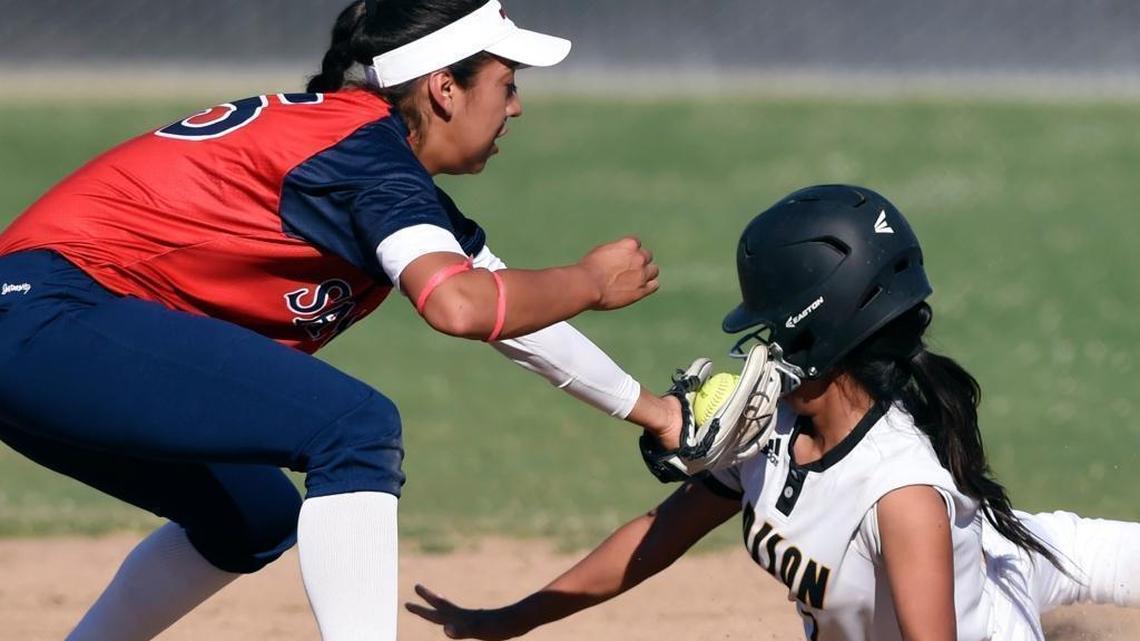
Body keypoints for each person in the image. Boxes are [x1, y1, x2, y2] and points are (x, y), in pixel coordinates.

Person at [0, 1, 684, 640]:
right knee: (353, 428)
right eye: (507, 82)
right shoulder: (362, 157)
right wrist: (589, 280)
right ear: (444, 88)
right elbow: (460, 305)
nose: (516, 106)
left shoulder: (364, 151)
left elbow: (510, 315)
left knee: (253, 514)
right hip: (46, 314)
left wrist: (654, 412)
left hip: (44, 329)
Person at [407, 184, 1140, 641]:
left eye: (768, 325)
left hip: (986, 607)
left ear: (817, 329)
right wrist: (516, 618)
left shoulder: (902, 496)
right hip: (989, 554)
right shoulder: (779, 427)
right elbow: (660, 534)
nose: (757, 344)